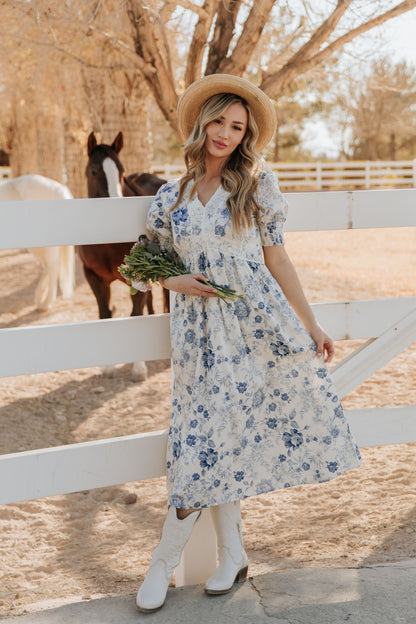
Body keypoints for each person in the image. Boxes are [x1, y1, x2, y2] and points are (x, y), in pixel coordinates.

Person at [136, 74, 361, 613]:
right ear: (202, 122)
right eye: (219, 121)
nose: (226, 134)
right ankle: (232, 553)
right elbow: (142, 260)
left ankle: (163, 562)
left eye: (238, 127)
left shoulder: (257, 184)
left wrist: (311, 325)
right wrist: (175, 282)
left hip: (252, 327)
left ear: (246, 136)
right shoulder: (172, 194)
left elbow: (276, 258)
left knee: (217, 437)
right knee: (209, 439)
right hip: (196, 334)